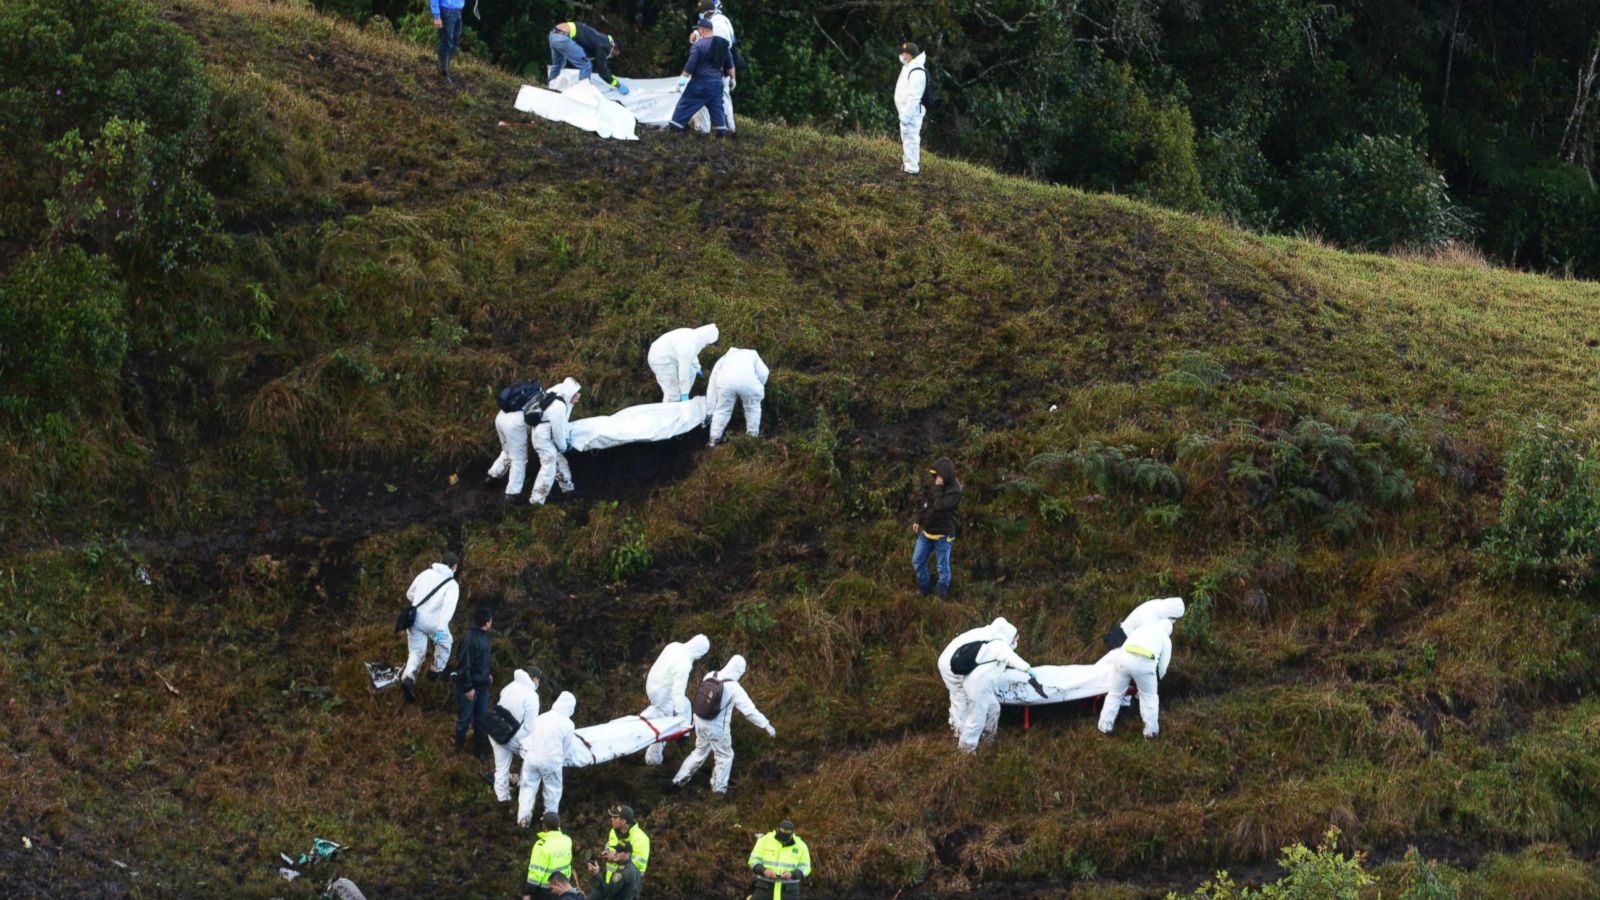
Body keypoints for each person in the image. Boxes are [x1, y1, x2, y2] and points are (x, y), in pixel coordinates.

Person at [672, 654, 775, 794]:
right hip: (717, 729)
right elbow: (749, 711)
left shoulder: (710, 675)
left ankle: (678, 780)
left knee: (699, 752)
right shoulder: (734, 687)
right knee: (725, 756)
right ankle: (718, 790)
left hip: (699, 721)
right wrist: (766, 725)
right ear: (739, 671)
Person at [934, 617, 1035, 753]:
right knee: (963, 704)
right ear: (1008, 637)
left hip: (963, 666)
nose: (1016, 643)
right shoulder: (997, 646)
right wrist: (1028, 669)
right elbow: (1010, 658)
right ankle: (963, 746)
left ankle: (985, 740)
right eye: (1015, 640)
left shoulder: (988, 635)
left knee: (991, 707)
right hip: (952, 667)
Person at [641, 635, 712, 765]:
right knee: (666, 724)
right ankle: (653, 760)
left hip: (652, 684)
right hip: (661, 693)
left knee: (686, 704)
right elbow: (678, 692)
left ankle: (683, 735)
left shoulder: (674, 646)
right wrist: (678, 714)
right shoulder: (684, 664)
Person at [1098, 617, 1174, 738]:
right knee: (1149, 698)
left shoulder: (1141, 629)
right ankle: (1151, 733)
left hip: (1122, 659)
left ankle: (1104, 726)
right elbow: (1162, 667)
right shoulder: (1165, 639)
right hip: (1144, 664)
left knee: (1114, 694)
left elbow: (1126, 645)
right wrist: (1156, 680)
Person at [400, 552, 460, 703]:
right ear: (455, 567)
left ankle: (408, 678)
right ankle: (436, 670)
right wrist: (441, 629)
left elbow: (410, 593)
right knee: (445, 642)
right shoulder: (452, 585)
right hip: (435, 625)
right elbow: (448, 609)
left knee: (415, 652)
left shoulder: (426, 573)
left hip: (416, 621)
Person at [519, 691, 578, 826]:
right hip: (551, 761)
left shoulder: (541, 717)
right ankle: (549, 823)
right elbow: (566, 748)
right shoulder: (568, 724)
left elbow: (531, 737)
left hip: (532, 758)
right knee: (552, 792)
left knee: (527, 789)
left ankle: (523, 820)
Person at [669, 20, 732, 136]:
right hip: (717, 84)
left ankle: (674, 129)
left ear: (702, 30)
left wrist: (681, 82)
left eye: (698, 29)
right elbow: (730, 67)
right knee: (717, 109)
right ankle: (721, 132)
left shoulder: (698, 46)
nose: (697, 31)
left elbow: (690, 66)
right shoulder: (723, 45)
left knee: (685, 104)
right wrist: (733, 79)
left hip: (701, 83)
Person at [490, 667, 543, 803]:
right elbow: (530, 727)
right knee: (531, 755)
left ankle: (502, 798)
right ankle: (523, 787)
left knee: (501, 767)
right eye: (538, 679)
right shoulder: (532, 696)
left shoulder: (511, 685)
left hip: (494, 728)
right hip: (510, 734)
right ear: (535, 679)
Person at [911, 458, 962, 597]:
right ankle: (924, 589)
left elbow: (939, 505)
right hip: (927, 532)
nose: (936, 478)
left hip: (943, 536)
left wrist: (939, 487)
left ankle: (940, 595)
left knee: (942, 569)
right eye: (936, 475)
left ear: (946, 475)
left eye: (939, 475)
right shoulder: (934, 485)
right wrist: (918, 520)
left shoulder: (955, 492)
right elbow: (926, 504)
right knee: (917, 561)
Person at [531, 378, 581, 506]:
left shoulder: (560, 391)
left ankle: (568, 490)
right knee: (548, 469)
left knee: (560, 462)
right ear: (571, 394)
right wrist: (563, 446)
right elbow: (558, 432)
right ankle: (536, 502)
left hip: (544, 434)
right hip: (543, 439)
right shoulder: (558, 407)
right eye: (576, 395)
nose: (578, 398)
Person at [705, 348, 768, 447]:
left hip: (726, 383)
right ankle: (752, 439)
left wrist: (709, 411)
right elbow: (764, 373)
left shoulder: (722, 359)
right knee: (752, 408)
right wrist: (758, 386)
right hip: (748, 382)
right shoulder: (752, 354)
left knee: (722, 410)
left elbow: (712, 385)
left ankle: (713, 440)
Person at [454, 605, 494, 757]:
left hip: (483, 687)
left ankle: (479, 751)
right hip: (470, 688)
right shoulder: (470, 638)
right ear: (487, 622)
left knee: (481, 720)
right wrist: (468, 687)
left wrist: (487, 675)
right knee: (464, 720)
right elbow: (464, 664)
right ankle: (458, 751)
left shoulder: (485, 637)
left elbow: (481, 660)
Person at [548, 21, 630, 95]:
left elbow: (582, 53)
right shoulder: (605, 46)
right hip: (563, 37)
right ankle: (582, 94)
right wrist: (618, 85)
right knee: (586, 65)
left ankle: (551, 85)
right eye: (614, 54)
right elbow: (602, 71)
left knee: (558, 64)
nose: (611, 56)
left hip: (554, 34)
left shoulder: (602, 39)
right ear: (614, 48)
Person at [489, 382, 540, 500]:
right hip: (515, 424)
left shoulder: (528, 391)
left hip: (501, 417)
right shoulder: (546, 400)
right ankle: (512, 494)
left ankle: (492, 476)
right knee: (519, 459)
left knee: (507, 451)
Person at [647, 324, 719, 402]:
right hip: (660, 358)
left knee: (692, 371)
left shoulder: (694, 337)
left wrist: (697, 367)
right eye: (710, 343)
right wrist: (684, 393)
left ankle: (678, 406)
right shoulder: (689, 344)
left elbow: (692, 356)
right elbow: (684, 370)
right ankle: (670, 413)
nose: (708, 345)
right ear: (707, 340)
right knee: (673, 393)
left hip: (667, 356)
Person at [697, 0, 738, 132]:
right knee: (723, 96)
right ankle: (729, 128)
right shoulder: (724, 20)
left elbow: (720, 49)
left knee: (702, 95)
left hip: (715, 66)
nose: (701, 14)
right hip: (724, 64)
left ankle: (703, 129)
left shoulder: (716, 24)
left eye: (702, 12)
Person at [747, 820, 812, 898]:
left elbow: (806, 867)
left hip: (789, 890)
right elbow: (753, 861)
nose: (783, 840)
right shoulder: (764, 840)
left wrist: (792, 874)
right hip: (764, 887)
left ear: (792, 833)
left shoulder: (801, 846)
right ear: (777, 830)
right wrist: (764, 871)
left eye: (786, 838)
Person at [894, 42, 929, 175]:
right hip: (907, 113)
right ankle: (908, 165)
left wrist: (905, 116)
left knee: (911, 139)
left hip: (912, 113)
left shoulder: (917, 71)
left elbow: (914, 97)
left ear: (908, 55)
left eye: (902, 53)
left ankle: (912, 169)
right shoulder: (909, 67)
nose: (900, 55)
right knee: (907, 138)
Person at [522, 811, 575, 899]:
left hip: (546, 890)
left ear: (544, 826)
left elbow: (535, 873)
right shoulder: (567, 840)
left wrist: (528, 892)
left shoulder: (541, 845)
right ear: (559, 825)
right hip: (563, 887)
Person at [1106, 596, 1185, 649]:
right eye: (1174, 619)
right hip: (1120, 639)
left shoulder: (1158, 604)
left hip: (1125, 639)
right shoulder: (1151, 617)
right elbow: (1146, 642)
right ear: (1171, 614)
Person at [601, 804, 650, 886]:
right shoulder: (613, 832)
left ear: (623, 822)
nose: (611, 819)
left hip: (628, 885)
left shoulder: (641, 838)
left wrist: (616, 858)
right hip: (610, 882)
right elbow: (611, 847)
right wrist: (606, 853)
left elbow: (639, 865)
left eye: (615, 817)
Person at [430, 0, 467, 84]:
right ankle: (443, 74)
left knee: (454, 42)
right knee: (446, 42)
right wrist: (436, 16)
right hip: (447, 11)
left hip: (458, 11)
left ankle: (445, 70)